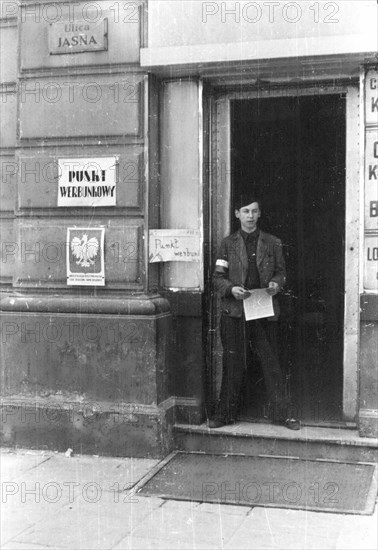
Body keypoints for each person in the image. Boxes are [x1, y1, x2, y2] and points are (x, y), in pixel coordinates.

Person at [209, 193, 300, 430]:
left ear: (259, 214)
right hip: (236, 310)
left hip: (263, 308)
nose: (250, 216)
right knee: (233, 363)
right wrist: (232, 289)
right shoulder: (227, 244)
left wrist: (276, 285)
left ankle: (282, 414)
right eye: (245, 211)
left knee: (272, 363)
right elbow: (217, 279)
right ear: (237, 214)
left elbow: (282, 273)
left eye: (254, 211)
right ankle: (224, 414)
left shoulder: (273, 242)